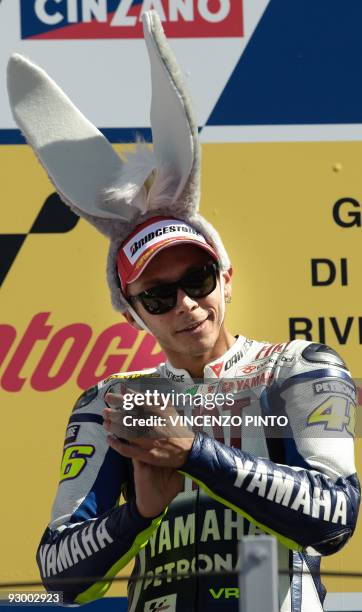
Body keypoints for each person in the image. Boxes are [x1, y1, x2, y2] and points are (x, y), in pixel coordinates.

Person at [7, 11, 360, 612]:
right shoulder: (115, 400)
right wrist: (142, 512)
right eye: (157, 296)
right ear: (132, 315)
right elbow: (58, 575)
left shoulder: (296, 367)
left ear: (225, 277)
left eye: (196, 279)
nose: (186, 305)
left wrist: (195, 451)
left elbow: (336, 516)